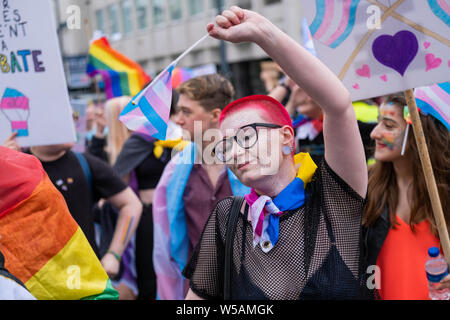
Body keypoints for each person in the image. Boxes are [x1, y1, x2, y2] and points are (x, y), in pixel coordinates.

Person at [183, 6, 368, 300]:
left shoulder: (331, 198)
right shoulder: (227, 217)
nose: (235, 152)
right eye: (225, 145)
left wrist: (263, 33)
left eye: (246, 135)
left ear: (286, 137)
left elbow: (338, 104)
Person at [153, 74, 251, 300]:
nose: (178, 119)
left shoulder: (250, 162)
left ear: (215, 115)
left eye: (186, 112)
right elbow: (164, 245)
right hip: (194, 289)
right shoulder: (175, 169)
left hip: (249, 287)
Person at [362, 93, 450, 300]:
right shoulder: (366, 188)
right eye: (378, 123)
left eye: (389, 126)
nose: (374, 133)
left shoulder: (445, 194)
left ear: (418, 134)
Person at [24, 142, 142, 283]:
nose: (72, 121)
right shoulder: (15, 165)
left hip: (83, 278)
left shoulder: (85, 163)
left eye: (74, 118)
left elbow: (131, 204)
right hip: (32, 279)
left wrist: (114, 254)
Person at [113, 92, 187, 300]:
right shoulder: (139, 140)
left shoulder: (186, 135)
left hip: (181, 213)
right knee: (149, 274)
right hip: (149, 218)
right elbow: (118, 180)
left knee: (185, 270)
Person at [270, 76, 377, 164]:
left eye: (306, 92)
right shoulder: (299, 128)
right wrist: (292, 104)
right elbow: (270, 138)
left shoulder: (345, 127)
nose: (300, 96)